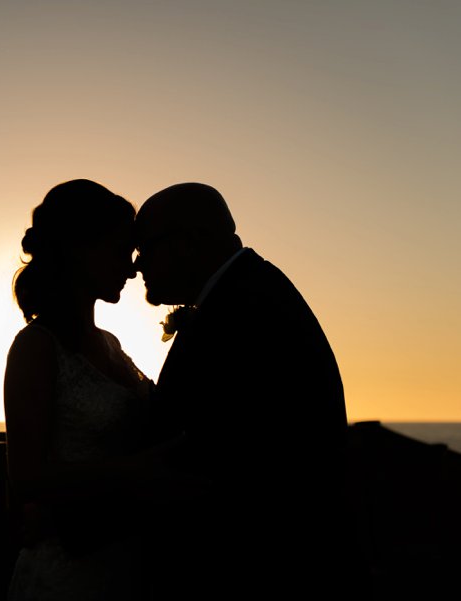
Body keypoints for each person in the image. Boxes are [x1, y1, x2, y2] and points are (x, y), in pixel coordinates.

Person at [134, 183, 354, 597]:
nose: (136, 265)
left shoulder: (245, 309)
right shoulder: (246, 292)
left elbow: (216, 455)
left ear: (189, 241)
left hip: (258, 569)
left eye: (144, 247)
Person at [3, 179, 154, 600]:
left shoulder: (110, 344)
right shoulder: (36, 348)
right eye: (120, 249)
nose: (131, 268)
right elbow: (27, 477)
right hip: (68, 573)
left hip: (124, 557)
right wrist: (140, 470)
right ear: (79, 250)